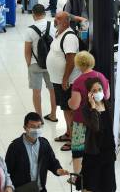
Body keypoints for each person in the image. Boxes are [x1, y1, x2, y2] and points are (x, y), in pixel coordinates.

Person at [68, 52, 110, 177]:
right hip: (100, 119)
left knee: (78, 151)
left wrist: (68, 102)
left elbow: (75, 105)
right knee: (99, 148)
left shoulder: (78, 81)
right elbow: (107, 96)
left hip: (82, 121)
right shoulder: (101, 77)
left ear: (78, 65)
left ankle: (78, 177)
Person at [5, 112, 68, 191]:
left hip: (40, 188)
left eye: (38, 126)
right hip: (21, 189)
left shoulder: (44, 144)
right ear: (25, 128)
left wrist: (58, 170)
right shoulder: (15, 146)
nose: (36, 130)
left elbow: (51, 161)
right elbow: (7, 170)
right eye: (32, 127)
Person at [46, 12, 80, 152]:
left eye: (59, 19)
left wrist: (65, 78)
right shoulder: (59, 32)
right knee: (65, 109)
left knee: (70, 110)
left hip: (67, 81)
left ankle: (74, 139)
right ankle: (68, 133)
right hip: (59, 80)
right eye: (56, 17)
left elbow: (71, 59)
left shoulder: (69, 37)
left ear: (67, 21)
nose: (55, 20)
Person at [80, 77, 116, 192]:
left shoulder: (108, 105)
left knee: (109, 185)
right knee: (92, 185)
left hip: (108, 150)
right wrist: (94, 107)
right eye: (94, 91)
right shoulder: (86, 109)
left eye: (99, 89)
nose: (98, 92)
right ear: (89, 93)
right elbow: (95, 128)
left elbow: (110, 128)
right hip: (94, 152)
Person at [24, 4, 58, 122]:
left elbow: (27, 50)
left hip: (35, 64)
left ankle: (39, 118)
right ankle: (53, 114)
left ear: (33, 14)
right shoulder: (53, 26)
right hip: (51, 63)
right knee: (53, 90)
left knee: (36, 92)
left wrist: (29, 64)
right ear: (44, 13)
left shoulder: (30, 30)